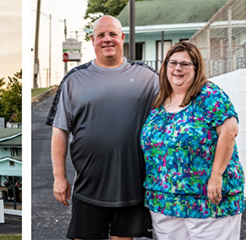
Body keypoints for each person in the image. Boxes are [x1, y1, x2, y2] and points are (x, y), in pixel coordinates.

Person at [47, 16, 158, 239]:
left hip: (131, 185)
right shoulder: (75, 79)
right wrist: (59, 177)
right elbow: (60, 130)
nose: (107, 39)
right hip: (89, 185)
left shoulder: (148, 78)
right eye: (101, 35)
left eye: (112, 34)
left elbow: (176, 105)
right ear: (93, 40)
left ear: (122, 38)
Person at [140, 41, 244, 239]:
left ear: (196, 68)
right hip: (166, 202)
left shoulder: (208, 94)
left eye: (185, 64)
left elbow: (229, 131)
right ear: (165, 67)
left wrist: (216, 175)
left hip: (208, 200)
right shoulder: (160, 100)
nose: (178, 68)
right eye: (173, 63)